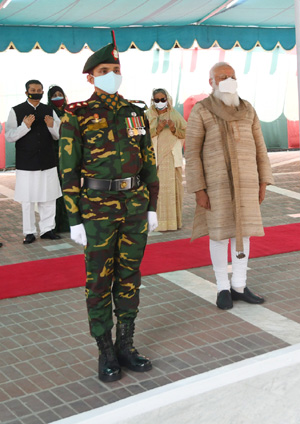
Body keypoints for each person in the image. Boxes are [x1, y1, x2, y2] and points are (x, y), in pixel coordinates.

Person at [59, 31, 160, 383]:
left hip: (134, 206)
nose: (111, 75)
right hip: (96, 209)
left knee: (130, 275)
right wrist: (74, 218)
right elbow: (68, 170)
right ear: (91, 77)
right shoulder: (77, 115)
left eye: (115, 70)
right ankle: (104, 349)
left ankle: (126, 344)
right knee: (99, 280)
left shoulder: (135, 113)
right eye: (103, 71)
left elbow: (149, 161)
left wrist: (152, 205)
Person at [185, 62, 274, 310]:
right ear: (211, 82)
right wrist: (199, 189)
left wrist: (263, 181)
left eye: (232, 76)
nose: (228, 80)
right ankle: (222, 287)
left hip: (247, 183)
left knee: (243, 233)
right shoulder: (202, 110)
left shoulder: (247, 109)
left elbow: (260, 148)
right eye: (222, 77)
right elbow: (191, 153)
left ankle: (240, 285)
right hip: (216, 185)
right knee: (219, 235)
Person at [5, 80, 63, 244]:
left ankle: (47, 229)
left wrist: (52, 126)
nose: (36, 93)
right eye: (33, 90)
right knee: (28, 199)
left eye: (39, 90)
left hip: (47, 161)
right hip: (26, 163)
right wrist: (24, 126)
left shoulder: (49, 110)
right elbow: (9, 136)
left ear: (43, 92)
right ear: (26, 92)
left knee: (49, 197)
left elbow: (58, 135)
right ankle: (29, 232)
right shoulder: (16, 110)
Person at [146, 88, 187, 231]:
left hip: (171, 159)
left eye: (162, 99)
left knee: (172, 191)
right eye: (157, 100)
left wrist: (174, 129)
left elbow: (185, 133)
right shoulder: (148, 115)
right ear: (153, 101)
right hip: (154, 160)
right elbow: (141, 136)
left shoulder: (174, 114)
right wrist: (157, 128)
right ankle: (156, 223)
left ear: (167, 99)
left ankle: (172, 223)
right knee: (156, 191)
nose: (160, 102)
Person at [47, 85, 71, 233]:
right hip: (55, 155)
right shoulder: (49, 113)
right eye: (54, 95)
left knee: (69, 188)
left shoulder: (70, 111)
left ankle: (69, 222)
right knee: (57, 191)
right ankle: (56, 224)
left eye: (60, 94)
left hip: (70, 154)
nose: (58, 97)